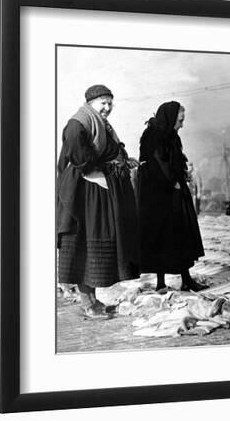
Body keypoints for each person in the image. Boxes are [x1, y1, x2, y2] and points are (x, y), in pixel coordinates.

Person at [56, 84, 140, 318]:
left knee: (95, 241)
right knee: (85, 241)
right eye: (103, 102)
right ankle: (87, 302)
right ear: (91, 103)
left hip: (96, 190)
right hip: (84, 192)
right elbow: (78, 156)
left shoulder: (101, 124)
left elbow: (110, 150)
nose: (107, 107)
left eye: (110, 102)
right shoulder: (79, 122)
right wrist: (99, 175)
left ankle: (93, 299)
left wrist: (123, 160)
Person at [137, 101, 207, 293]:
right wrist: (172, 182)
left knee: (180, 234)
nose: (182, 124)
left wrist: (182, 173)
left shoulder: (171, 136)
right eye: (180, 120)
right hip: (158, 195)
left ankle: (185, 279)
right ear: (170, 117)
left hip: (173, 190)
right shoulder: (154, 135)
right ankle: (161, 282)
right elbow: (156, 162)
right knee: (162, 234)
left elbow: (174, 160)